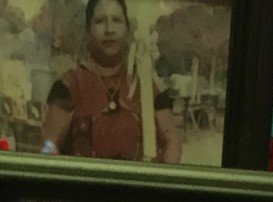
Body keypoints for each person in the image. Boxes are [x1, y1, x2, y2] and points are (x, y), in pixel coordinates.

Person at [42, 0, 182, 162]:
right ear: (88, 31)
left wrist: (159, 183)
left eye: (116, 20)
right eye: (100, 21)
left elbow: (172, 143)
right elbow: (48, 145)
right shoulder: (70, 85)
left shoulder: (146, 85)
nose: (109, 30)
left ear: (127, 30)